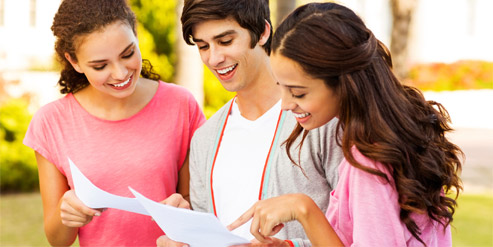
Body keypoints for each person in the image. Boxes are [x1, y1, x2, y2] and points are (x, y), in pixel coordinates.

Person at [228, 2, 464, 246]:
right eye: (281, 87)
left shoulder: (369, 160)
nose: (285, 105)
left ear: (344, 83)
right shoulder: (391, 134)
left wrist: (304, 209)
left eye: (298, 93)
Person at [156, 0, 343, 246]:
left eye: (225, 41)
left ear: (263, 32)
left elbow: (355, 231)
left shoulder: (321, 119)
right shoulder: (205, 139)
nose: (214, 58)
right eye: (203, 46)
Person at [23, 0, 205, 246]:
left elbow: (198, 203)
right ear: (74, 61)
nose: (120, 73)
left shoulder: (180, 105)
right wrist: (67, 213)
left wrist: (185, 210)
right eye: (100, 66)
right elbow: (57, 240)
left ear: (136, 35)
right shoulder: (51, 122)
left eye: (128, 53)